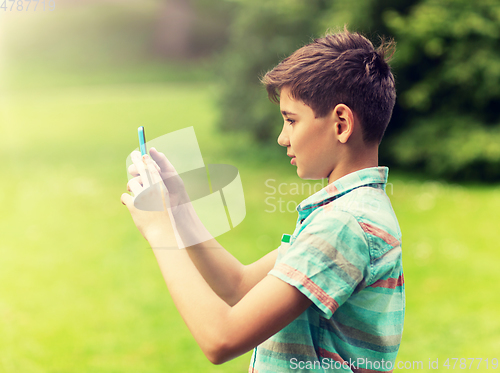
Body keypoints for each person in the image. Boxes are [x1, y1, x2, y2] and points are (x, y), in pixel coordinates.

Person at [121, 27, 404, 373]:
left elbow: (221, 338)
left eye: (291, 120)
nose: (282, 137)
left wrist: (160, 231)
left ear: (341, 123)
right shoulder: (347, 212)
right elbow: (238, 286)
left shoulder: (345, 226)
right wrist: (179, 209)